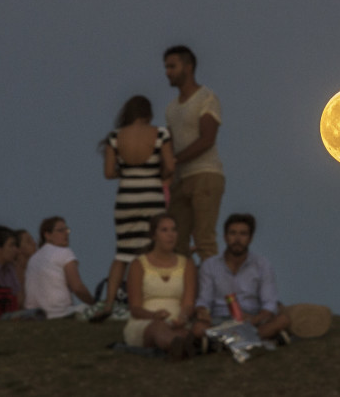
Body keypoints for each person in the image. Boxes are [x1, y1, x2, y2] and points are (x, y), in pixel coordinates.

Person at [98, 95, 175, 317]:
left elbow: (109, 172)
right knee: (154, 251)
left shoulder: (115, 137)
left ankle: (108, 304)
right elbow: (169, 166)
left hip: (126, 198)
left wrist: (129, 172)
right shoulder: (160, 134)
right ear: (148, 113)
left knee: (122, 254)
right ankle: (152, 300)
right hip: (152, 197)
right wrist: (156, 173)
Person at [164, 45, 225, 262]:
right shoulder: (171, 108)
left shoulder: (206, 98)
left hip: (205, 175)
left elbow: (207, 139)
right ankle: (185, 291)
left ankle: (213, 292)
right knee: (176, 240)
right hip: (180, 179)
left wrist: (175, 160)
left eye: (172, 66)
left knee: (204, 239)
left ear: (188, 67)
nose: (168, 72)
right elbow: (169, 143)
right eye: (166, 67)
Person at [192, 213, 290, 342]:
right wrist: (202, 311)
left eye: (243, 234)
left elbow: (269, 303)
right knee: (198, 328)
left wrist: (255, 319)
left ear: (250, 238)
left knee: (283, 320)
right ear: (225, 237)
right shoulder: (210, 265)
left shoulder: (262, 265)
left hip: (252, 318)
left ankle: (223, 342)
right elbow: (204, 300)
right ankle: (255, 338)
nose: (237, 239)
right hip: (220, 319)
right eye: (233, 233)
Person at [123, 213, 196, 358]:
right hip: (146, 322)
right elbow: (135, 308)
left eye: (173, 230)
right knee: (158, 327)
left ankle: (178, 344)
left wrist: (183, 316)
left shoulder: (186, 264)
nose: (170, 235)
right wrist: (154, 315)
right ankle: (177, 346)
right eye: (164, 230)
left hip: (176, 322)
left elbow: (188, 302)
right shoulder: (139, 264)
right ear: (154, 235)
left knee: (185, 330)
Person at [24, 217, 94, 319]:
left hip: (35, 314)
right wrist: (93, 303)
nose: (66, 233)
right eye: (61, 230)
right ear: (47, 235)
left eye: (67, 230)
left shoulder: (33, 259)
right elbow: (77, 287)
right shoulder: (64, 253)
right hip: (60, 312)